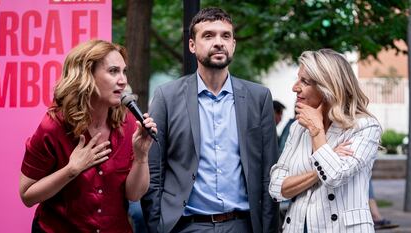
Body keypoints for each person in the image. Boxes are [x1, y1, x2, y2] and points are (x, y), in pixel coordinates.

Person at [141, 7, 279, 233]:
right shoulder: (167, 97)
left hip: (242, 225)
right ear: (192, 45)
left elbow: (268, 175)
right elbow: (154, 171)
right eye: (208, 35)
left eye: (225, 36)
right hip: (185, 226)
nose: (219, 42)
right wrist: (158, 226)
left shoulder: (259, 98)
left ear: (233, 44)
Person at [19, 39, 157, 233]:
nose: (123, 80)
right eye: (113, 71)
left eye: (124, 71)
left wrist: (141, 156)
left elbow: (134, 195)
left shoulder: (128, 125)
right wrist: (71, 170)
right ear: (86, 76)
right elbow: (27, 195)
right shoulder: (53, 126)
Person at [269, 49, 382, 232]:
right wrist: (317, 171)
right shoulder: (298, 128)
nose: (295, 87)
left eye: (304, 81)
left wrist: (316, 130)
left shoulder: (365, 127)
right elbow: (276, 188)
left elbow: (334, 176)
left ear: (328, 87)